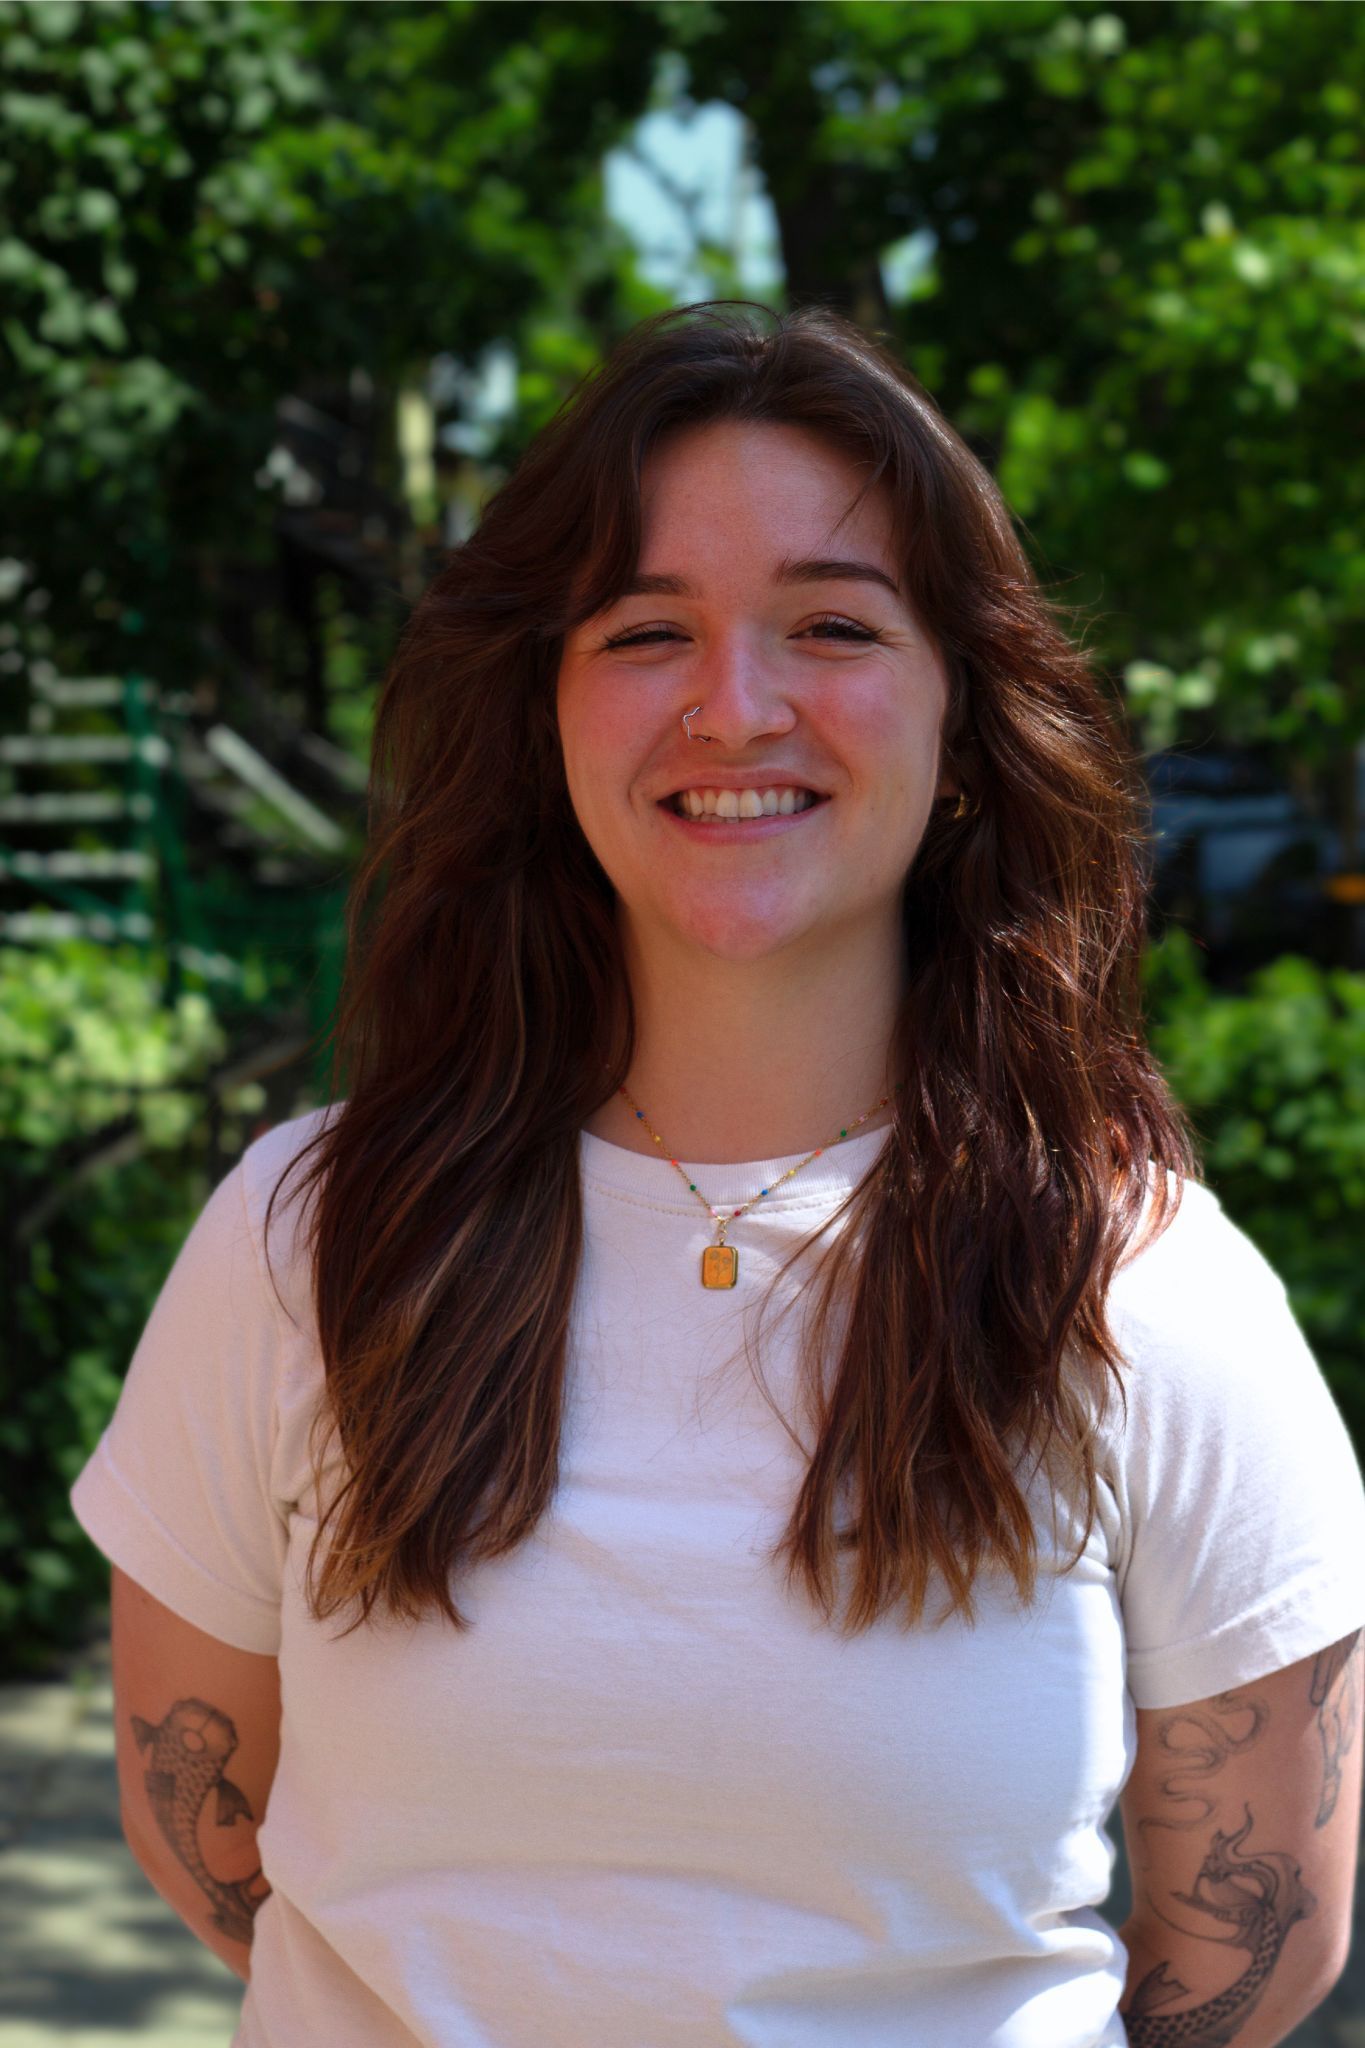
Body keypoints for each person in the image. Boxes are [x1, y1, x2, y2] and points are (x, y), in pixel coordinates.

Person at [71, 301, 1364, 2048]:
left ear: (964, 717)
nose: (731, 706)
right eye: (642, 630)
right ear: (544, 709)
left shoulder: (1139, 1286)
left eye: (830, 623)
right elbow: (205, 1821)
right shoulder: (303, 1243)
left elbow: (1249, 1945)